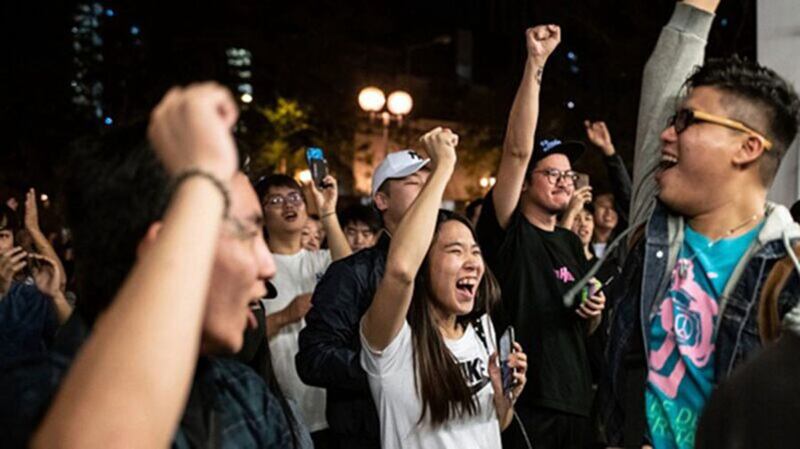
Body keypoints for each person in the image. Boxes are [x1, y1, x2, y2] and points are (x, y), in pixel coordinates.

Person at [0, 83, 311, 448]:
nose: (266, 267)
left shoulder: (245, 396)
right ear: (165, 249)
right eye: (245, 233)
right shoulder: (29, 403)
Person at [595, 0, 800, 447]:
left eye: (686, 121)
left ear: (747, 147)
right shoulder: (654, 233)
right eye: (671, 119)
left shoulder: (789, 270)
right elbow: (665, 72)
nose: (666, 133)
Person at [475, 24, 607, 449]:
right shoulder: (508, 231)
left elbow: (587, 330)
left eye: (568, 174)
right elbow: (516, 150)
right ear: (526, 183)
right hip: (528, 401)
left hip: (578, 403)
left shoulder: (571, 244)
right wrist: (536, 62)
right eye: (551, 173)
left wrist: (594, 312)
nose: (563, 181)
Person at [361, 127, 528, 449]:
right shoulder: (391, 340)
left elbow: (498, 423)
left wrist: (505, 394)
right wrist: (443, 167)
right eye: (455, 251)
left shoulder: (482, 328)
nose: (472, 263)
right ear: (422, 264)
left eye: (475, 252)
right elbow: (399, 271)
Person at [296, 148, 431, 449]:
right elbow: (313, 358)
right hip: (369, 434)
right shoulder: (352, 273)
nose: (428, 190)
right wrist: (380, 369)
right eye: (413, 183)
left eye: (431, 182)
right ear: (381, 200)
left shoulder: (444, 266)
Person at [259, 172, 351, 446]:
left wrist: (327, 211)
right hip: (280, 410)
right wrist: (286, 315)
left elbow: (349, 272)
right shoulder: (256, 267)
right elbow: (240, 336)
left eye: (294, 197)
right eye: (275, 200)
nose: (289, 205)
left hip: (329, 408)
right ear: (260, 213)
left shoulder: (320, 261)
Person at [0, 204, 71, 369]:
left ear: (13, 241)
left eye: (3, 236)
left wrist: (56, 296)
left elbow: (71, 335)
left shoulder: (29, 288)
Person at [583, 121, 632, 260]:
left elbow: (625, 193)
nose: (609, 212)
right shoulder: (581, 243)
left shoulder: (624, 241)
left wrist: (608, 149)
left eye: (613, 208)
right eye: (603, 206)